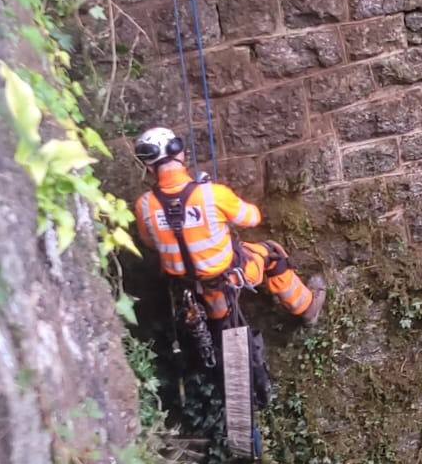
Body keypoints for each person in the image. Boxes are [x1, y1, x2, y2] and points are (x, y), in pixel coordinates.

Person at [131, 126, 326, 325]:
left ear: (148, 166)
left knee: (214, 303)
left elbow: (150, 242)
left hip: (188, 285)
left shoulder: (144, 205)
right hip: (228, 276)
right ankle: (306, 307)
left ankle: (220, 320)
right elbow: (252, 218)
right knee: (272, 255)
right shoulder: (212, 193)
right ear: (179, 153)